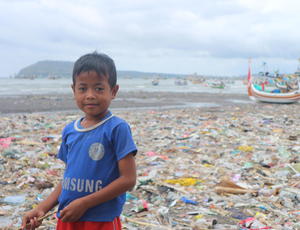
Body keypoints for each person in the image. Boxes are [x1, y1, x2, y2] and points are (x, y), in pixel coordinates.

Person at [21, 52, 137, 230]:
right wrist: (42, 208)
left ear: (113, 91)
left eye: (99, 89)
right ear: (73, 90)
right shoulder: (70, 131)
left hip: (100, 220)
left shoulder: (117, 128)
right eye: (83, 88)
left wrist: (85, 203)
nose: (90, 95)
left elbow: (128, 180)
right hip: (68, 217)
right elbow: (68, 178)